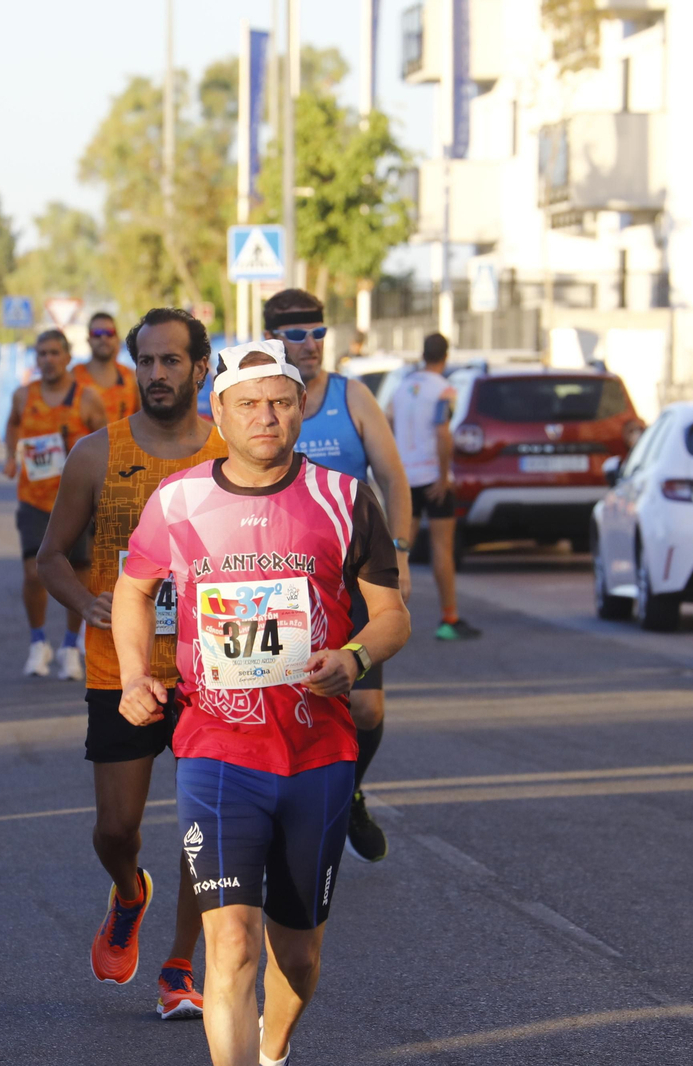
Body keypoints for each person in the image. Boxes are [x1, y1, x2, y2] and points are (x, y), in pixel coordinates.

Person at [115, 341, 410, 1066]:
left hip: (318, 753)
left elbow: (392, 614)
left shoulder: (344, 499)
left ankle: (274, 1044)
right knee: (233, 943)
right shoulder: (177, 501)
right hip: (216, 749)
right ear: (219, 413)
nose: (266, 416)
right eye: (248, 403)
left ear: (303, 407)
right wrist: (132, 674)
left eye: (281, 401)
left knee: (298, 954)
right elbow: (134, 587)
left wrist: (355, 657)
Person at [37, 307, 222, 1017]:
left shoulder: (226, 453)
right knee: (116, 831)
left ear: (200, 369)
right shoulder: (97, 453)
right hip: (122, 667)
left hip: (211, 669)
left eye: (171, 360)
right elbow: (51, 555)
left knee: (203, 828)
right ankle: (129, 891)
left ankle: (178, 967)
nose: (156, 374)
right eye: (146, 361)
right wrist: (86, 602)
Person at [263, 288, 413, 864]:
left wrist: (396, 556)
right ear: (272, 338)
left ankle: (348, 791)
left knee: (367, 708)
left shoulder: (352, 397)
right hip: (276, 574)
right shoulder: (258, 399)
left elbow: (394, 478)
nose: (311, 345)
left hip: (349, 572)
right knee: (282, 700)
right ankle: (283, 807)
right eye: (297, 335)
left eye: (319, 333)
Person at [4, 329, 107, 680]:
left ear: (67, 358)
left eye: (53, 353)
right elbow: (12, 425)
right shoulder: (23, 395)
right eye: (41, 353)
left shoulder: (86, 398)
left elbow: (103, 439)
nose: (47, 359)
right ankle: (37, 642)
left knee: (77, 575)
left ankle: (68, 645)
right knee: (33, 573)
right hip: (33, 497)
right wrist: (9, 456)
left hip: (74, 501)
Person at [389, 333, 482, 641]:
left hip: (405, 477)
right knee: (442, 549)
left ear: (422, 353)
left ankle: (384, 617)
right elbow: (443, 434)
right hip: (432, 477)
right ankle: (449, 619)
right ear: (446, 355)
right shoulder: (445, 390)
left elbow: (388, 421)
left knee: (399, 550)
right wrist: (443, 477)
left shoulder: (402, 388)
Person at [74, 311, 140, 423]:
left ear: (117, 338)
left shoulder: (131, 376)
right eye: (97, 334)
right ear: (88, 340)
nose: (103, 338)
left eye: (109, 333)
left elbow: (142, 419)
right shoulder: (74, 376)